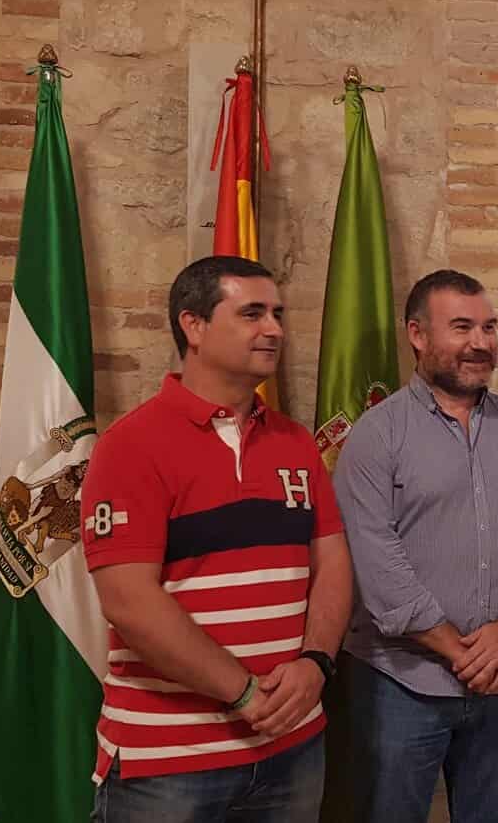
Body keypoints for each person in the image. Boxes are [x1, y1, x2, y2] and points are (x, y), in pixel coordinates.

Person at [81, 255, 354, 822]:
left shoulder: (296, 443)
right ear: (194, 326)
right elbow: (129, 602)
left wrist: (316, 662)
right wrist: (244, 693)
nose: (274, 329)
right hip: (171, 762)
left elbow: (331, 562)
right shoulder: (130, 445)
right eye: (252, 313)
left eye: (277, 314)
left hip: (293, 748)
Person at [332, 270, 498, 823]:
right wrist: (460, 652)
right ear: (417, 334)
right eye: (462, 327)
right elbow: (375, 561)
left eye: (489, 327)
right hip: (398, 684)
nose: (481, 343)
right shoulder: (376, 435)